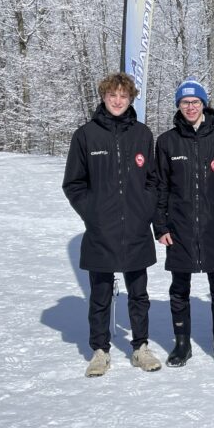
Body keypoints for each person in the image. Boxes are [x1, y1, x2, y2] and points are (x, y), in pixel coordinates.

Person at [62, 72, 162, 377]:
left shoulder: (142, 134)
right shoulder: (86, 135)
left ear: (131, 99)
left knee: (139, 294)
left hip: (136, 228)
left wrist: (144, 210)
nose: (118, 101)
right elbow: (73, 183)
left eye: (123, 96)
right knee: (100, 294)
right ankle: (100, 350)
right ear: (103, 97)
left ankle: (140, 347)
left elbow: (153, 180)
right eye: (112, 95)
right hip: (101, 230)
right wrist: (93, 213)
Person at [154, 78, 214, 368]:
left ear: (204, 104)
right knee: (179, 288)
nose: (190, 107)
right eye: (185, 102)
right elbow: (160, 186)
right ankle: (181, 344)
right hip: (180, 227)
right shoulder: (167, 141)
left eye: (195, 102)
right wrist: (161, 226)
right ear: (178, 106)